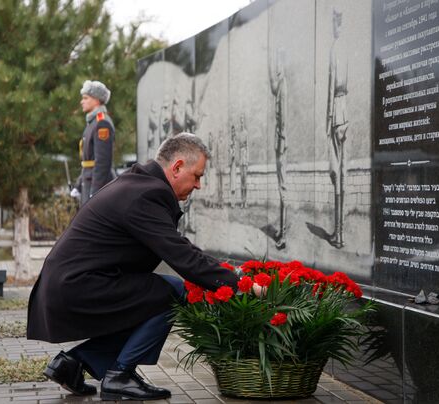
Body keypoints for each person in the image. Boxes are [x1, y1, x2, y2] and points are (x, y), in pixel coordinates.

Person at [27, 133, 239, 400]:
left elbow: (176, 248)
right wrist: (238, 283)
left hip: (70, 284)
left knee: (150, 299)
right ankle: (121, 375)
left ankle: (72, 365)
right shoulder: (147, 194)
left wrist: (225, 274)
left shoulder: (139, 185)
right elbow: (181, 255)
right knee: (171, 292)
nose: (198, 185)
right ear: (177, 167)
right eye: (197, 176)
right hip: (77, 287)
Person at [326, 8, 348, 249]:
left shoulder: (335, 48)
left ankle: (338, 235)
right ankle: (339, 233)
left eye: (335, 22)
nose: (334, 26)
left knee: (336, 174)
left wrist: (328, 116)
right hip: (346, 111)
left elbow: (332, 84)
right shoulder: (346, 47)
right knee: (342, 174)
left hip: (337, 114)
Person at [75, 80, 116, 205]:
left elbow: (102, 161)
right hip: (88, 182)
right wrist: (78, 184)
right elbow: (88, 162)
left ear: (96, 100)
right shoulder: (93, 122)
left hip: (97, 185)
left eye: (86, 98)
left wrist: (96, 191)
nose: (82, 101)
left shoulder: (101, 123)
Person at [269, 47, 288, 249]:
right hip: (279, 140)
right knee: (280, 186)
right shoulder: (280, 84)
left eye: (277, 64)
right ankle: (282, 230)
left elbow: (283, 118)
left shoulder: (283, 84)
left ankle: (283, 233)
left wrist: (282, 142)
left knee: (283, 188)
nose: (275, 69)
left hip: (282, 142)